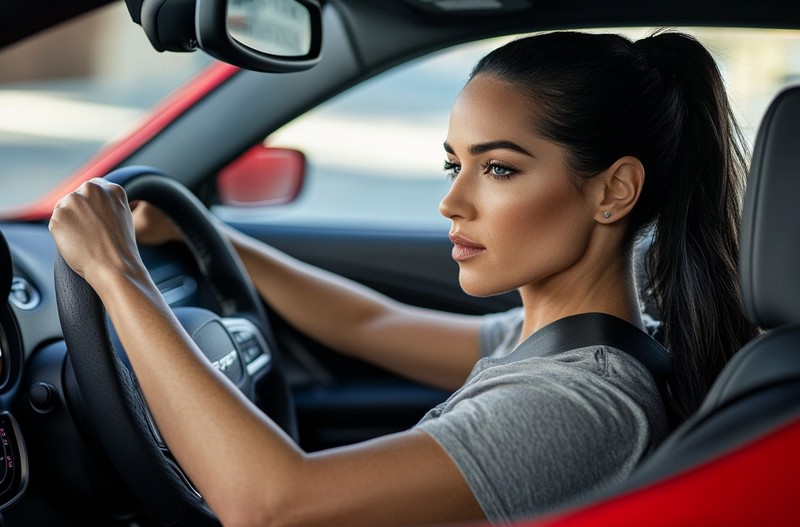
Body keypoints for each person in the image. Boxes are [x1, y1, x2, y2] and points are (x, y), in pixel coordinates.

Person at [49, 30, 759, 526]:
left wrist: (117, 274)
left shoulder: (578, 406)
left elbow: (270, 504)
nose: (453, 201)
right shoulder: (555, 340)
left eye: (500, 168)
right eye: (456, 164)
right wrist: (204, 235)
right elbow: (370, 324)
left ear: (613, 191)